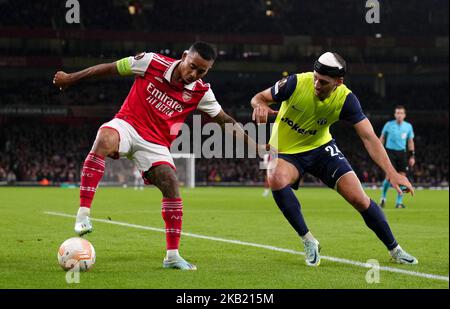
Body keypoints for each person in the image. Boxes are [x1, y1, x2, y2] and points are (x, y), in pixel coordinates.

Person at [53, 42, 261, 270]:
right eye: (192, 67)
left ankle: (172, 256)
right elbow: (109, 68)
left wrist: (256, 147)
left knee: (171, 184)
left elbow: (225, 121)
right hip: (128, 125)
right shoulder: (151, 62)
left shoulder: (201, 92)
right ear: (183, 56)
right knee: (104, 138)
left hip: (156, 143)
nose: (194, 74)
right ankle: (83, 215)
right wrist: (71, 78)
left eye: (201, 71)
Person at [250, 52, 418, 266]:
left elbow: (369, 137)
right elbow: (258, 98)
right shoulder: (293, 83)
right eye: (315, 78)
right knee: (274, 176)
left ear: (338, 82)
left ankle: (396, 249)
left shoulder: (347, 100)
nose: (316, 85)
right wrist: (260, 106)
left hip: (321, 149)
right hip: (286, 151)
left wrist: (392, 173)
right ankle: (309, 240)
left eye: (323, 82)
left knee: (359, 199)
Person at [379, 106, 415, 208]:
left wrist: (412, 156)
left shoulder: (408, 126)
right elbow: (381, 138)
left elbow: (410, 141)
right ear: (395, 115)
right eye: (397, 113)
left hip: (402, 153)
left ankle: (399, 202)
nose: (399, 115)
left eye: (401, 113)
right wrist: (379, 151)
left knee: (402, 177)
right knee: (389, 177)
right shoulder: (389, 125)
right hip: (390, 152)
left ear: (404, 115)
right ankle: (383, 198)